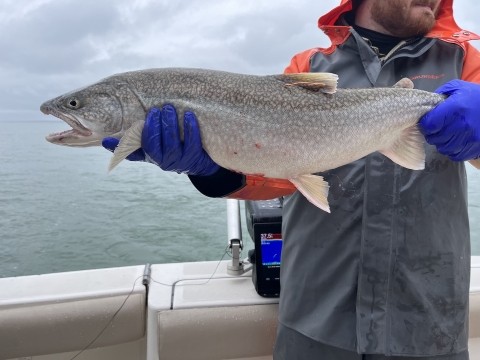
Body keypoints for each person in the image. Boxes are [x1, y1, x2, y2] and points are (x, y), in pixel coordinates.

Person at [103, 0, 480, 358]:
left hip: (428, 320)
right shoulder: (309, 65)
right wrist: (211, 169)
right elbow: (279, 177)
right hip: (315, 317)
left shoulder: (465, 60)